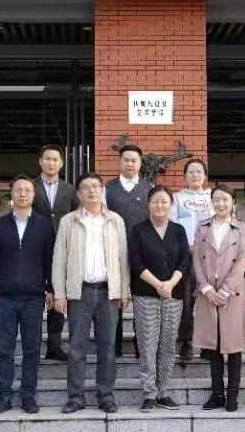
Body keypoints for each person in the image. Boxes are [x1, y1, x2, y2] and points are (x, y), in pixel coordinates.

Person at [52, 172, 130, 414]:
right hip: (80, 293)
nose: (92, 190)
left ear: (102, 190)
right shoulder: (69, 221)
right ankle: (76, 397)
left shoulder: (115, 220)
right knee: (77, 348)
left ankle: (106, 395)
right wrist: (59, 293)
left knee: (107, 347)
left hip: (109, 292)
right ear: (79, 194)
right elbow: (59, 258)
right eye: (86, 187)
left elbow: (123, 258)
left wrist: (124, 290)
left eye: (96, 186)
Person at [0, 175, 55, 415]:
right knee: (5, 349)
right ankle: (4, 395)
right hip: (5, 296)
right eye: (18, 190)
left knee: (32, 349)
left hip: (34, 297)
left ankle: (28, 395)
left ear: (34, 195)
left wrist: (51, 288)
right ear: (12, 194)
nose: (23, 194)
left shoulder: (44, 225)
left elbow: (50, 259)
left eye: (27, 190)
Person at [129, 185, 190, 412]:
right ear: (148, 204)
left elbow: (184, 261)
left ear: (171, 205)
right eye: (155, 201)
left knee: (167, 343)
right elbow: (136, 263)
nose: (160, 205)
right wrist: (157, 284)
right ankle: (149, 393)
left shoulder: (178, 230)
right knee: (147, 344)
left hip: (173, 294)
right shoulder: (138, 230)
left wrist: (170, 284)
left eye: (164, 201)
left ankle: (163, 391)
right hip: (145, 294)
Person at [192, 184, 245, 412]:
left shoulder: (241, 228)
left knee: (233, 345)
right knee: (213, 344)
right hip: (208, 293)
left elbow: (242, 261)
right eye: (216, 199)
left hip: (232, 293)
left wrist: (225, 290)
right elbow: (196, 258)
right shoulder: (202, 227)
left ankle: (233, 395)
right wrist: (205, 288)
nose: (221, 203)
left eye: (225, 199)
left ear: (233, 202)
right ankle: (217, 394)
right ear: (211, 202)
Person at [32, 144, 79, 362]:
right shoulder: (30, 187)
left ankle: (54, 345)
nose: (51, 163)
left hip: (62, 250)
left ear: (61, 163)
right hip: (34, 249)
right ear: (40, 161)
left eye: (55, 159)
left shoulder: (70, 190)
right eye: (47, 159)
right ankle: (32, 344)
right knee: (35, 297)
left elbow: (77, 218)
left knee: (59, 294)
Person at [105, 144, 151, 357]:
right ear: (120, 162)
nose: (130, 164)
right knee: (115, 298)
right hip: (114, 253)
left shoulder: (149, 188)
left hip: (142, 253)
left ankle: (140, 345)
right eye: (126, 160)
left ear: (140, 164)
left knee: (142, 300)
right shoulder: (108, 189)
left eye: (134, 160)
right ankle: (113, 347)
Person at [170, 158, 214, 366]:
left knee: (208, 299)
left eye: (199, 171)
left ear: (205, 176)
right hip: (186, 254)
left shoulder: (213, 197)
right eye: (191, 172)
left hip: (211, 255)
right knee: (187, 299)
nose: (195, 175)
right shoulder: (177, 198)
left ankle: (208, 343)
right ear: (184, 176)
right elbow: (172, 226)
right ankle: (186, 341)